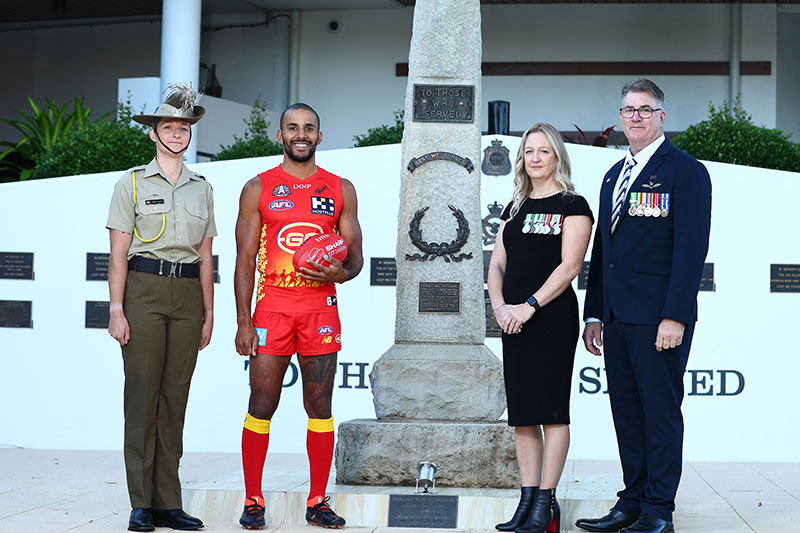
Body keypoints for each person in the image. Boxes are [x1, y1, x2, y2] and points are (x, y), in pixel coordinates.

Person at [576, 79, 712, 533]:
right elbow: (604, 253)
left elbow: (691, 251)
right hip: (615, 319)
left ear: (661, 117)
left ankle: (658, 510)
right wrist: (594, 313)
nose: (635, 116)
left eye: (644, 109)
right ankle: (631, 501)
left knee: (660, 415)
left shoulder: (686, 171)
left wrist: (674, 315)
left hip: (659, 320)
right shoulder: (614, 175)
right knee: (628, 416)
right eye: (628, 109)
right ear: (620, 117)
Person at [233, 103, 363, 530]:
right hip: (272, 310)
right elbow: (244, 259)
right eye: (293, 127)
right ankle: (253, 499)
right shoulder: (258, 187)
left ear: (319, 137)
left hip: (319, 311)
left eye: (309, 128)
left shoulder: (341, 188)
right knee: (262, 402)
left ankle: (318, 500)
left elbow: (356, 258)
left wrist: (338, 272)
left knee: (319, 404)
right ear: (280, 135)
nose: (301, 134)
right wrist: (243, 321)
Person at [106, 83, 215, 532]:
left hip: (188, 295)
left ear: (190, 134)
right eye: (168, 127)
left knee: (176, 400)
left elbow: (207, 255)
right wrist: (116, 308)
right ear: (154, 133)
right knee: (143, 397)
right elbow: (117, 255)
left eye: (183, 128)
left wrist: (209, 313)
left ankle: (169, 502)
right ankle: (141, 503)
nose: (176, 134)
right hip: (144, 291)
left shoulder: (202, 188)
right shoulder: (130, 183)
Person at [488, 122, 594, 533]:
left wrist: (529, 306)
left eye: (543, 151)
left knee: (551, 413)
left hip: (549, 319)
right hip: (512, 321)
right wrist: (499, 307)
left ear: (557, 158)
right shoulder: (514, 208)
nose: (535, 158)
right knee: (523, 416)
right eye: (529, 151)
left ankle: (547, 502)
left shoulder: (574, 205)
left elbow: (570, 266)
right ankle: (527, 500)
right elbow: (497, 263)